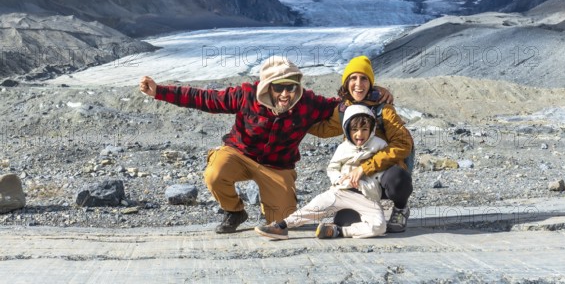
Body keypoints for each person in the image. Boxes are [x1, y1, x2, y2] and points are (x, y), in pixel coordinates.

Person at [139, 56, 393, 234]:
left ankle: (269, 206)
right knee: (215, 173)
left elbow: (343, 106)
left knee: (282, 222)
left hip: (277, 166)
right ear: (268, 87)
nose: (286, 94)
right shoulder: (246, 95)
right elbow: (204, 99)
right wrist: (159, 91)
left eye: (291, 88)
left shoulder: (307, 103)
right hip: (239, 154)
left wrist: (370, 91)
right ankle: (234, 211)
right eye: (279, 88)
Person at [307, 55, 414, 233]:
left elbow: (403, 144)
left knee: (398, 179)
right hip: (357, 178)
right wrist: (295, 120)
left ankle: (401, 208)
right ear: (346, 82)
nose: (358, 84)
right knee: (344, 221)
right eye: (353, 78)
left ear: (370, 82)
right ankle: (371, 212)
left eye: (364, 78)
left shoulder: (384, 109)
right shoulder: (343, 110)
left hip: (383, 173)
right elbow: (324, 129)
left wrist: (366, 167)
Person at [254, 104, 389, 239]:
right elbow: (332, 167)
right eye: (354, 129)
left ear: (371, 129)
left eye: (365, 129)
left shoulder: (380, 145)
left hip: (367, 196)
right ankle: (281, 227)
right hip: (341, 192)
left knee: (379, 226)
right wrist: (339, 179)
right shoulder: (343, 147)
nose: (359, 134)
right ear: (347, 129)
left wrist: (365, 180)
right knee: (313, 208)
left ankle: (338, 231)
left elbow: (383, 167)